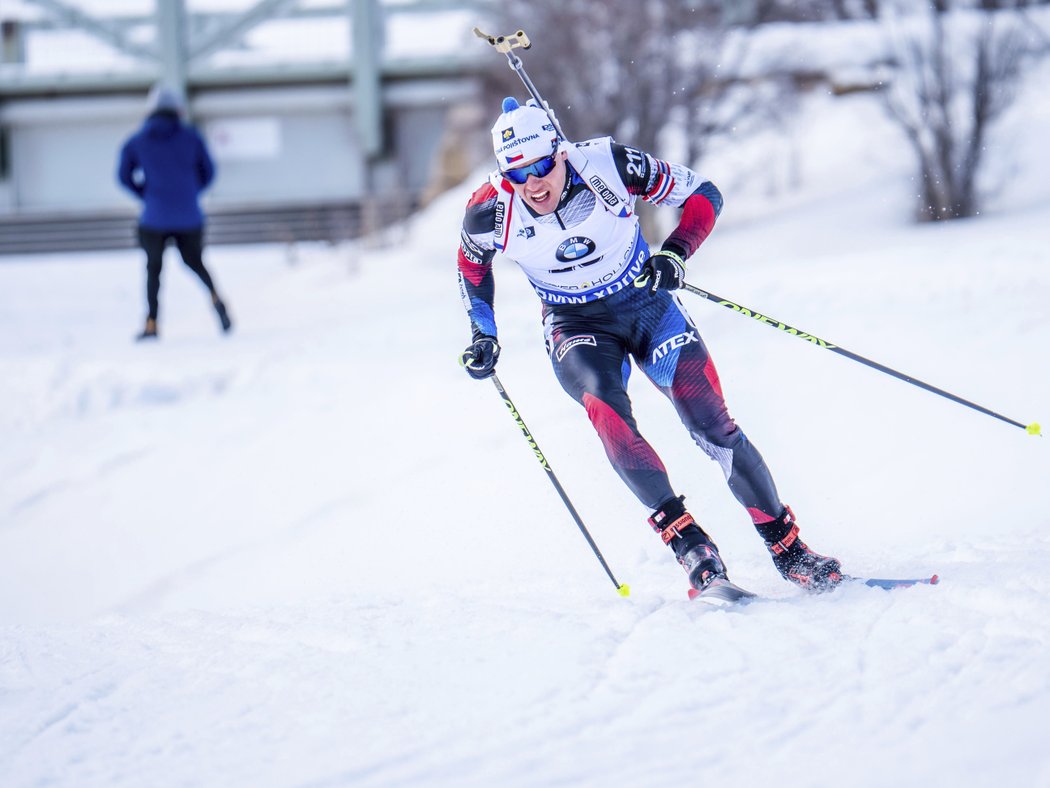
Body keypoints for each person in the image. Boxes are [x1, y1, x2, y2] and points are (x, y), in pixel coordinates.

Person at [456, 97, 844, 594]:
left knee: (712, 425)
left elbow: (704, 194)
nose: (532, 184)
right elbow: (472, 269)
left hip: (646, 303)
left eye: (540, 165)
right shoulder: (488, 211)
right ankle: (692, 549)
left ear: (559, 151)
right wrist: (483, 333)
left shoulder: (608, 164)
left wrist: (676, 253)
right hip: (575, 323)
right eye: (516, 173)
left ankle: (790, 552)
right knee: (606, 410)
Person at [117, 83, 232, 340]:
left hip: (154, 216)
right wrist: (190, 191)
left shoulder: (138, 140)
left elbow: (123, 175)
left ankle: (151, 323)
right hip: (189, 215)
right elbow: (209, 172)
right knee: (196, 263)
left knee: (153, 269)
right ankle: (218, 303)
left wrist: (144, 193)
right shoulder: (191, 137)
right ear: (177, 110)